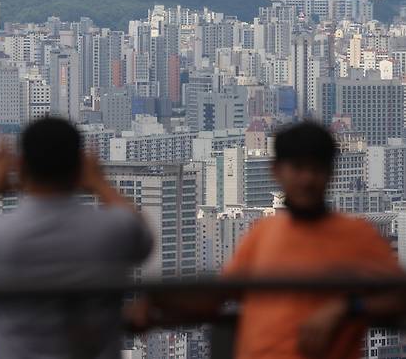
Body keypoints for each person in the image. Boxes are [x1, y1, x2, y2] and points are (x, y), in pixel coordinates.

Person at [130, 121, 405, 359]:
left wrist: (346, 307)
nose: (307, 179)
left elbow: (399, 296)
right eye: (298, 168)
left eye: (316, 169)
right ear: (277, 171)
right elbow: (221, 294)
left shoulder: (356, 235)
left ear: (331, 173)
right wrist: (158, 302)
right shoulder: (264, 232)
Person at [0, 117, 153, 359]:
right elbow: (142, 237)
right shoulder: (111, 229)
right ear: (80, 166)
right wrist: (98, 182)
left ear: (22, 166)